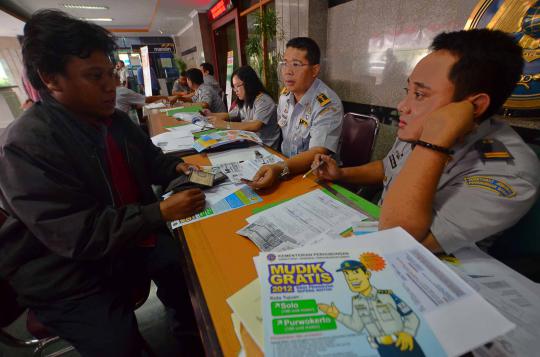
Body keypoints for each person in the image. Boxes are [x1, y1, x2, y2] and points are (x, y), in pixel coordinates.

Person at [0, 10, 206, 356]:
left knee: (185, 270)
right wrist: (159, 212)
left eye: (111, 73)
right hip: (68, 274)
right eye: (95, 76)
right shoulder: (26, 145)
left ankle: (192, 337)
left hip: (125, 239)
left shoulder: (113, 120)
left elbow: (152, 160)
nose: (111, 86)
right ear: (51, 79)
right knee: (119, 344)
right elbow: (79, 235)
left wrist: (185, 169)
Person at [312, 29, 540, 254]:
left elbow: (398, 239)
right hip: (378, 228)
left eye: (419, 95)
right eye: (408, 90)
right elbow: (387, 168)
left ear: (475, 106)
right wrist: (341, 174)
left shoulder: (510, 171)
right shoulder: (416, 128)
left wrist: (433, 143)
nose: (402, 106)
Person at [247, 37, 343, 189]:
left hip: (315, 175)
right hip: (285, 167)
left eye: (296, 65)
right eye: (285, 63)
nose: (288, 71)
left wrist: (281, 168)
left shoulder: (327, 104)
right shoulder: (285, 96)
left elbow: (317, 152)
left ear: (315, 70)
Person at [318, 260, 424, 356]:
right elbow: (357, 326)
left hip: (404, 343)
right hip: (383, 348)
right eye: (346, 274)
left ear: (367, 274)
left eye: (355, 272)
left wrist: (407, 333)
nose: (351, 278)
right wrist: (337, 315)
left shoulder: (387, 295)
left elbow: (411, 316)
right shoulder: (356, 301)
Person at [207, 65, 281, 150]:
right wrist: (210, 114)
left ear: (249, 83)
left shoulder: (264, 100)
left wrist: (225, 125)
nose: (235, 90)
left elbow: (255, 126)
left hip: (265, 147)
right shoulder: (245, 100)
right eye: (234, 87)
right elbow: (230, 115)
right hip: (249, 142)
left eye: (237, 86)